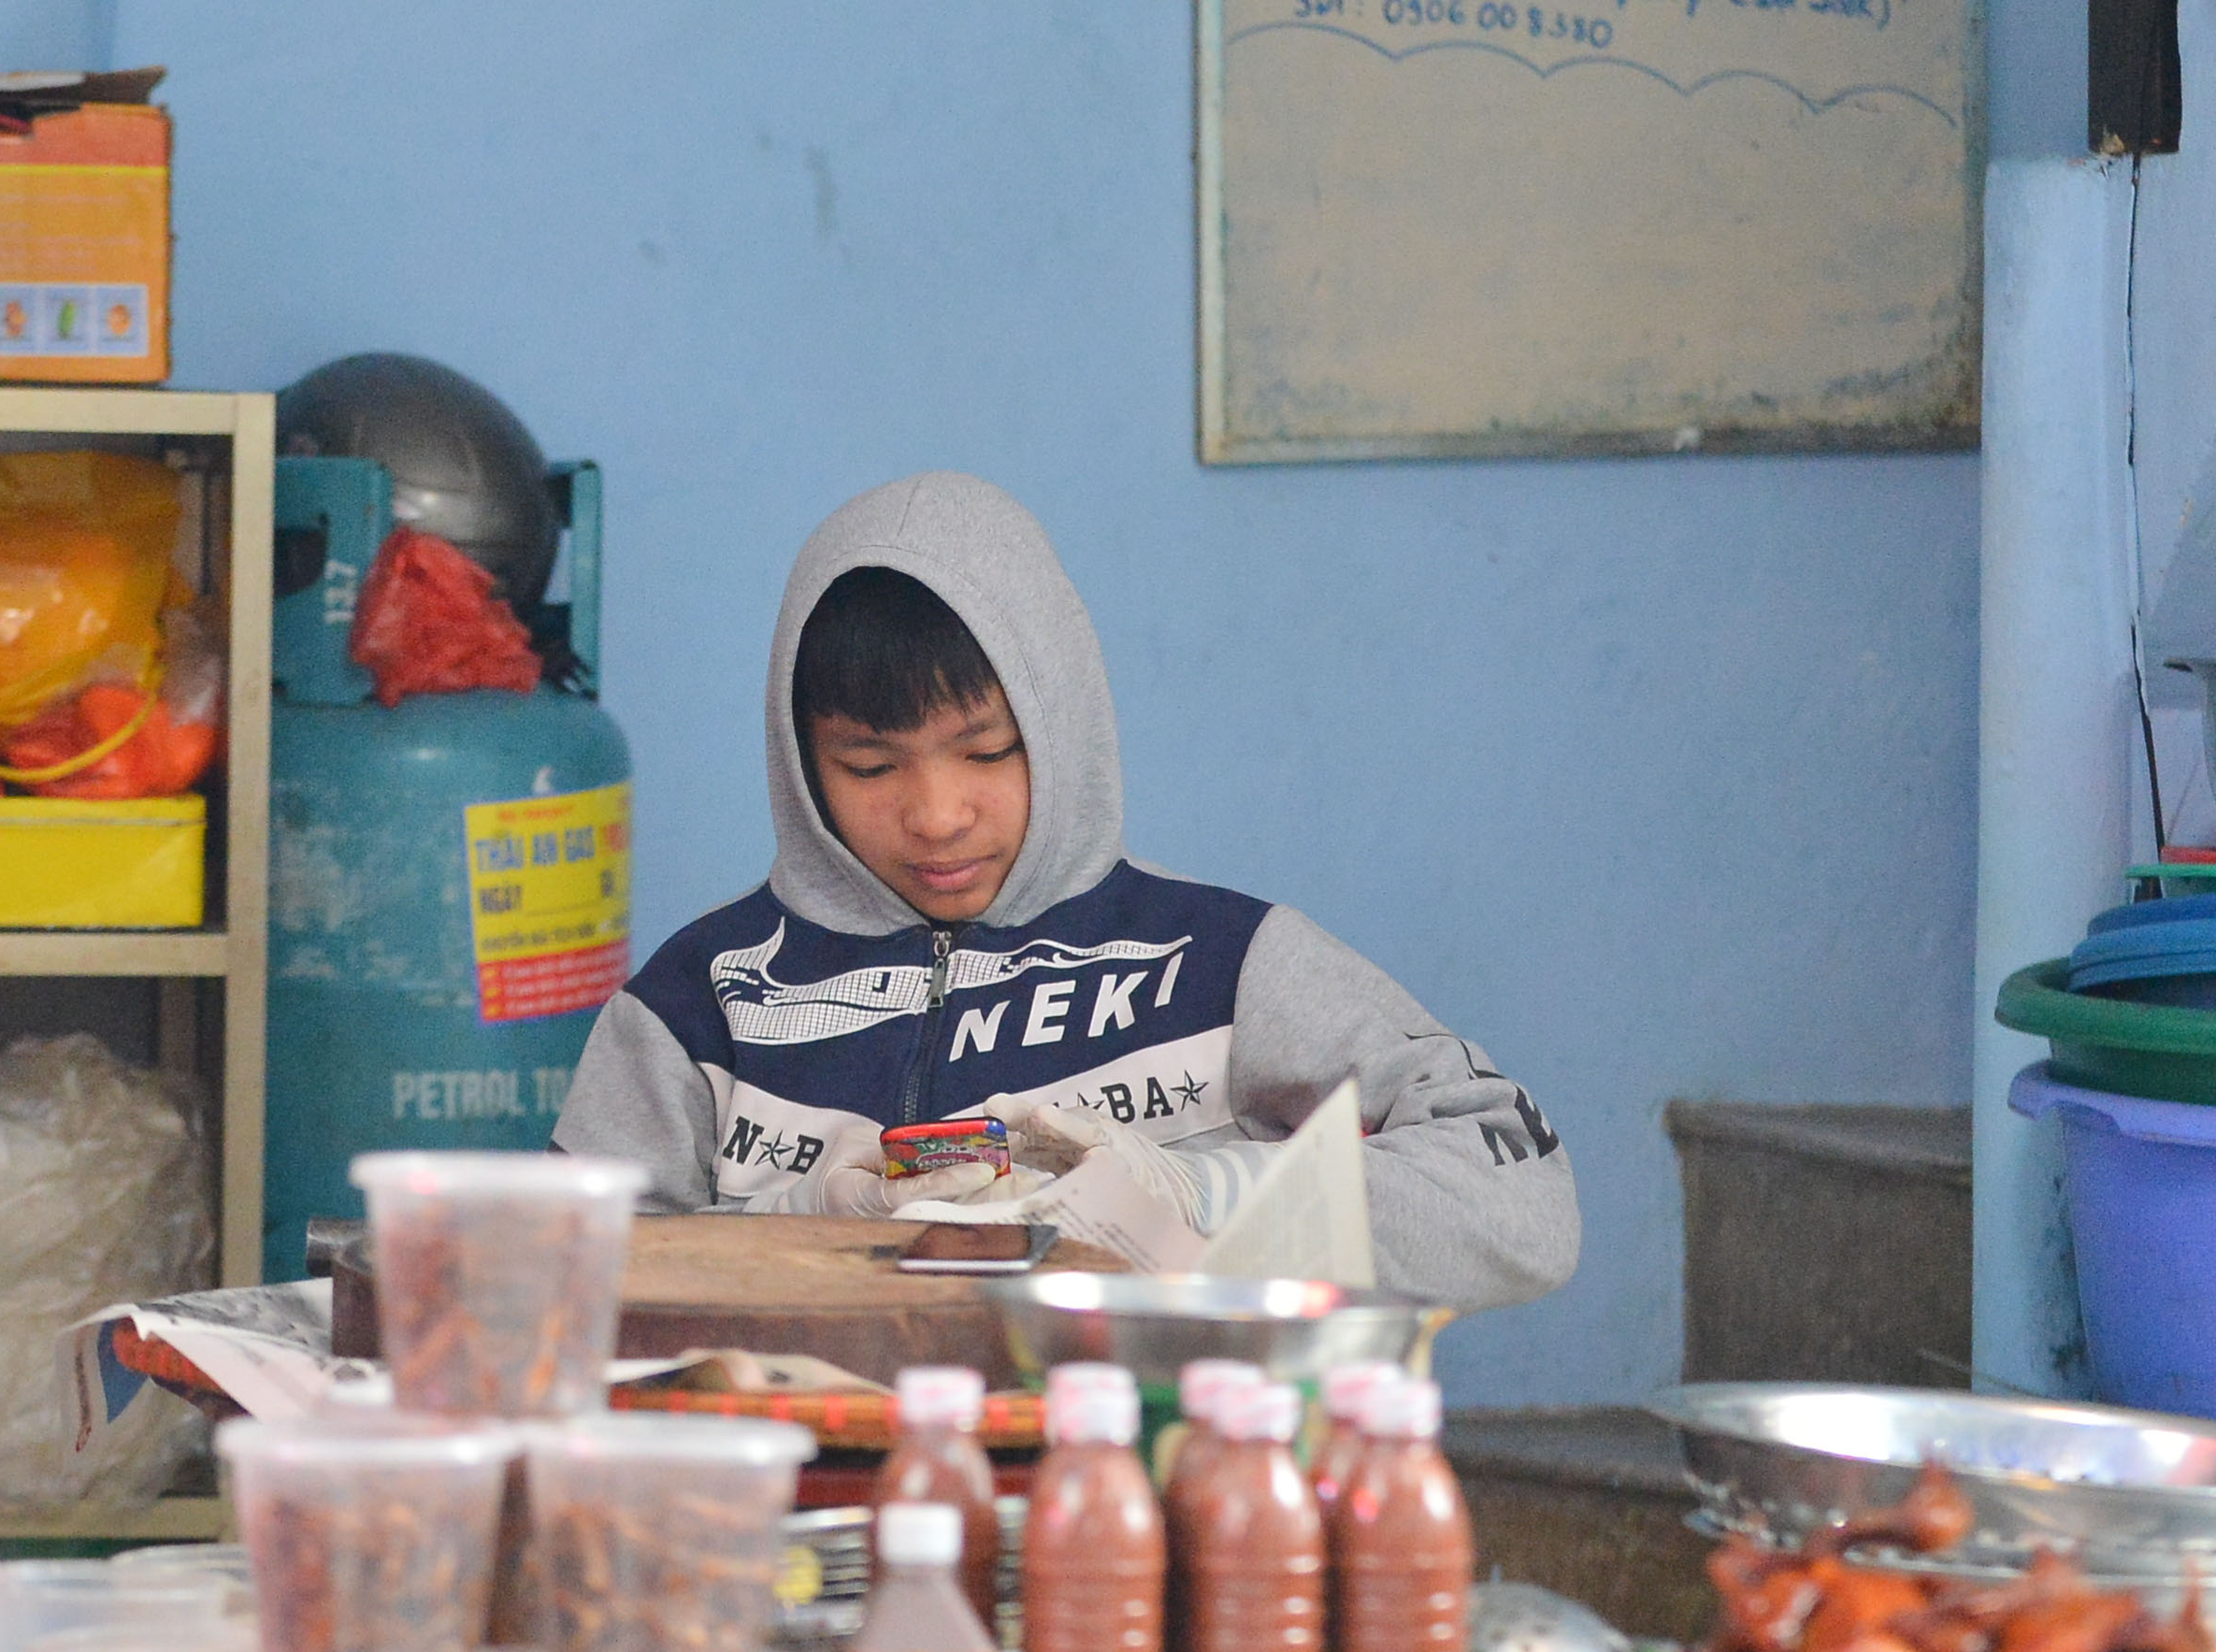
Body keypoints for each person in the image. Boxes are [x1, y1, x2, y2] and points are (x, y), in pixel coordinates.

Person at [554, 471, 1578, 1311]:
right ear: (799, 761)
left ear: (1063, 729)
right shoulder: (701, 1003)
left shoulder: (1219, 967)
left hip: (1144, 1507)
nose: (936, 814)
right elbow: (554, 1282)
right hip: (808, 1528)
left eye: (987, 752)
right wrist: (799, 1228)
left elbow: (1521, 1205)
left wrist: (1197, 1196)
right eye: (870, 767)